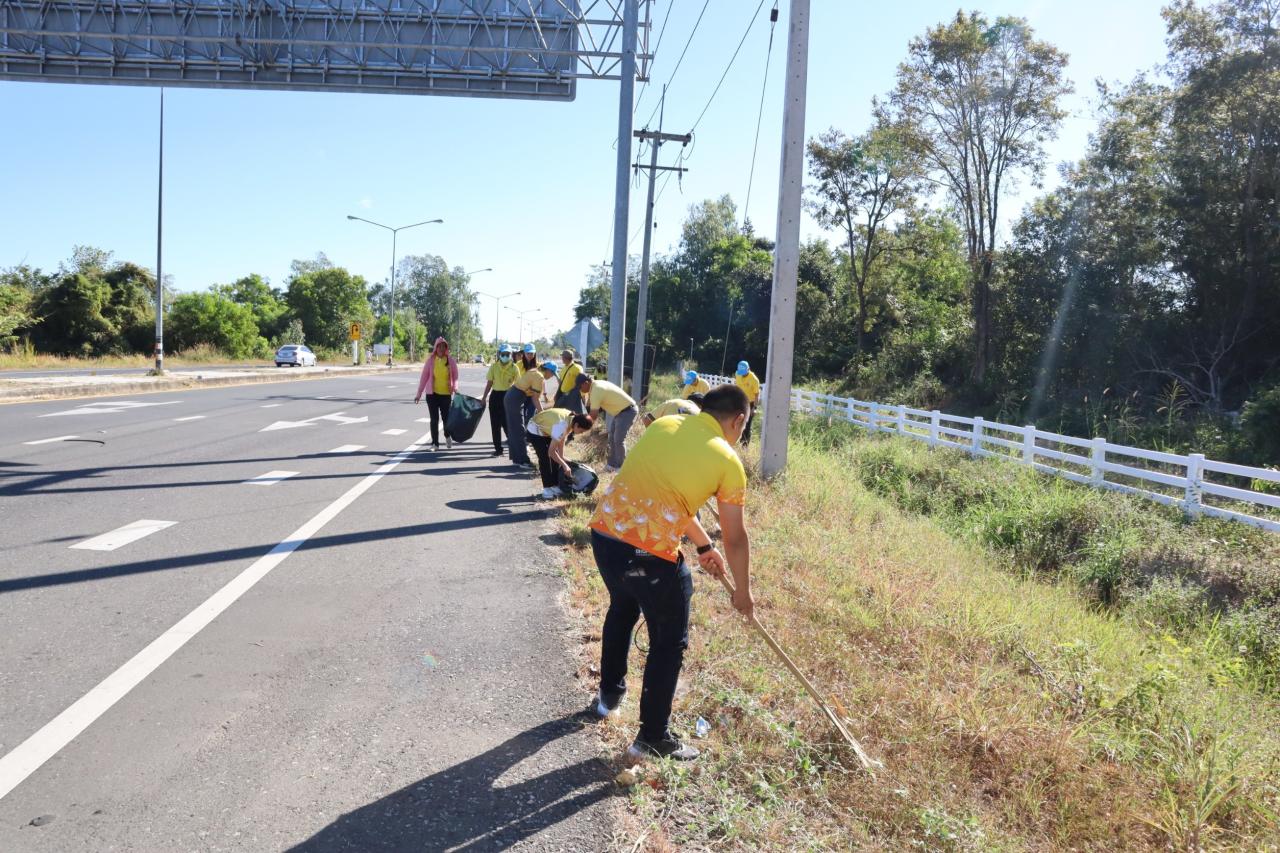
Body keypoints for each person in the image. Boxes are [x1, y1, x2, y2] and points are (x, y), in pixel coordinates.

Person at [587, 384, 754, 761]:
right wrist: (743, 593)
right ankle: (652, 738)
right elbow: (737, 538)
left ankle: (607, 698)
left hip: (606, 537)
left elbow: (668, 499)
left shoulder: (664, 426)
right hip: (647, 556)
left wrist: (703, 545)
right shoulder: (727, 462)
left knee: (623, 607)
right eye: (743, 427)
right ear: (738, 420)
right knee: (668, 641)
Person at [527, 408, 595, 499]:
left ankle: (555, 486)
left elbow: (562, 438)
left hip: (548, 429)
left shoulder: (572, 419)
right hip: (535, 429)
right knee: (545, 458)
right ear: (577, 425)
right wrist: (564, 465)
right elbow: (551, 452)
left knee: (557, 458)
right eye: (581, 431)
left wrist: (562, 456)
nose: (580, 433)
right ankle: (547, 489)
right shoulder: (562, 425)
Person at [576, 374, 638, 471]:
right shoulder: (595, 386)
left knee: (618, 440)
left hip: (627, 411)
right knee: (612, 438)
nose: (580, 389)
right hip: (620, 412)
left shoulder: (596, 390)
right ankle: (612, 464)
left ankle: (622, 467)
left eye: (580, 387)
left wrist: (583, 427)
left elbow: (593, 415)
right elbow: (590, 409)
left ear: (586, 383)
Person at [505, 359, 557, 467]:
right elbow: (535, 399)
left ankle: (516, 459)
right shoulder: (539, 377)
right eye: (552, 374)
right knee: (519, 429)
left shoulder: (536, 372)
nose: (552, 376)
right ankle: (522, 461)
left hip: (514, 396)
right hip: (515, 398)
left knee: (515, 428)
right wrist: (544, 414)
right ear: (548, 371)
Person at [414, 336, 458, 450]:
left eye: (444, 347)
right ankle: (435, 443)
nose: (442, 349)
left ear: (446, 348)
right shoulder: (430, 361)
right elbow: (424, 377)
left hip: (445, 395)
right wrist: (419, 394)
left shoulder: (450, 361)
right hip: (432, 395)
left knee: (446, 419)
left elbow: (456, 377)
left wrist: (455, 388)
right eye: (440, 347)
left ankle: (447, 436)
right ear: (436, 348)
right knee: (434, 419)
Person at [480, 343, 519, 458]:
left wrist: (517, 400)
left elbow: (518, 385)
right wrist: (484, 397)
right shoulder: (494, 366)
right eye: (503, 354)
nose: (505, 356)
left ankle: (513, 446)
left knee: (507, 424)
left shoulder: (514, 368)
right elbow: (489, 383)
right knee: (495, 424)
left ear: (511, 355)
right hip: (495, 397)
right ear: (499, 354)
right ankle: (498, 449)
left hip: (508, 397)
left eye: (507, 354)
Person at [733, 361, 762, 445]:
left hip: (750, 403)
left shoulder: (754, 379)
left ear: (748, 369)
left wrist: (754, 408)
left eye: (744, 373)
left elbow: (757, 395)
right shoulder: (737, 374)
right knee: (736, 422)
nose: (742, 374)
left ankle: (744, 445)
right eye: (740, 373)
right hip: (739, 401)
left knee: (747, 425)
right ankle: (735, 441)